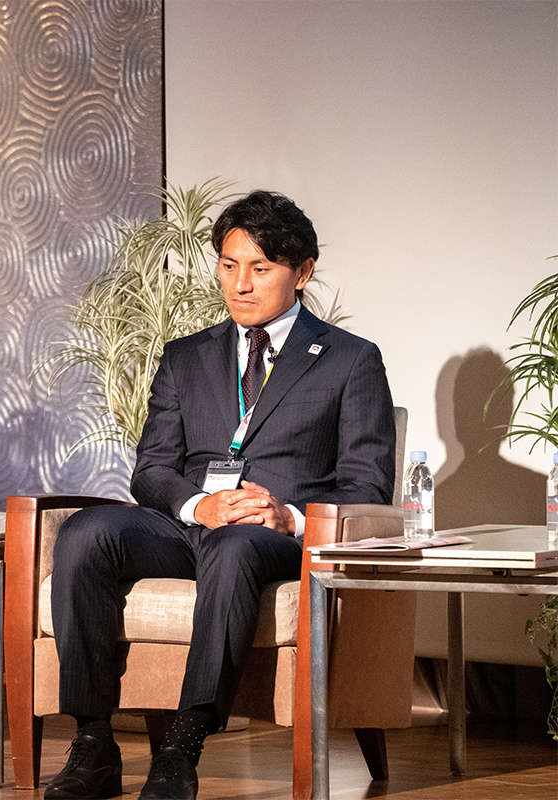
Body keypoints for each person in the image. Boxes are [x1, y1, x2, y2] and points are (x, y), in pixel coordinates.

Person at [45, 190, 395, 800]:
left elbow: (368, 485)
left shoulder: (350, 361)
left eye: (260, 268)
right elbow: (152, 471)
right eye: (229, 265)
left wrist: (287, 517)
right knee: (85, 533)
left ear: (302, 272)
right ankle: (94, 741)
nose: (240, 284)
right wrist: (198, 506)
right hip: (191, 527)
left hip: (273, 539)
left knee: (235, 545)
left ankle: (182, 747)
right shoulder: (186, 357)